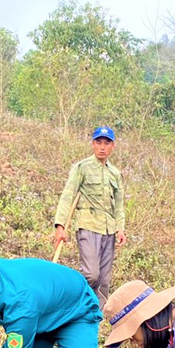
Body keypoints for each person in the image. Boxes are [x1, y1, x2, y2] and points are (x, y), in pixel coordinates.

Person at [53, 126, 126, 304]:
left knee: (103, 281)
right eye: (98, 143)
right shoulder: (82, 168)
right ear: (93, 144)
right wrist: (60, 226)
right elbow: (67, 196)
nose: (102, 147)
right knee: (91, 274)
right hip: (88, 225)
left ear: (112, 146)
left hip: (108, 230)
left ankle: (94, 318)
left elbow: (119, 204)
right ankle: (67, 300)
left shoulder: (115, 173)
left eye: (106, 143)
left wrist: (120, 228)